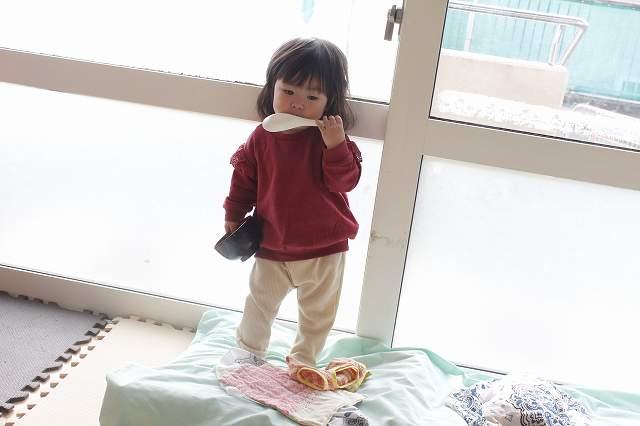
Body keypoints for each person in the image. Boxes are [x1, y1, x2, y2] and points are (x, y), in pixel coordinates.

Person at [223, 37, 362, 368]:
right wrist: (234, 213)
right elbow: (244, 180)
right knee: (259, 305)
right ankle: (248, 353)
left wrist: (336, 145)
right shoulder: (262, 137)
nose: (298, 104)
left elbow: (345, 183)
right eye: (288, 91)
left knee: (317, 315)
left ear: (329, 102)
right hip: (272, 243)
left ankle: (304, 360)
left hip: (324, 248)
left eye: (312, 97)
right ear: (272, 87)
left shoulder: (329, 140)